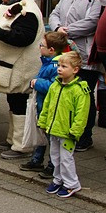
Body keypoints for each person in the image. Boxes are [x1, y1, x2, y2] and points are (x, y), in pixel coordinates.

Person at [47, 0, 103, 152]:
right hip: (65, 53)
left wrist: (67, 30)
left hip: (84, 55)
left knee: (84, 97)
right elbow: (54, 12)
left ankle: (85, 135)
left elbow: (92, 21)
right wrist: (57, 28)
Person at [0, 0, 45, 158]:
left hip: (22, 69)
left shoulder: (28, 11)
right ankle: (13, 140)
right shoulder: (13, 4)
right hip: (11, 66)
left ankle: (22, 146)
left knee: (20, 106)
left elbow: (24, 38)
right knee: (13, 103)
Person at [37, 50, 91, 198]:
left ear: (75, 70)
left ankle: (71, 183)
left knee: (66, 158)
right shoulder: (55, 85)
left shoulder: (79, 90)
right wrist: (43, 121)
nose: (59, 69)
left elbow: (82, 113)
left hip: (68, 132)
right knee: (55, 156)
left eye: (64, 66)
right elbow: (47, 105)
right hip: (54, 128)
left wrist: (76, 130)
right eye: (59, 65)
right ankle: (58, 179)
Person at [20, 30, 70, 173]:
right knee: (40, 134)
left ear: (51, 50)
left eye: (42, 45)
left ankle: (53, 165)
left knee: (50, 138)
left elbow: (54, 86)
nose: (39, 48)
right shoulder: (48, 62)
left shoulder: (56, 66)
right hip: (41, 105)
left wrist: (37, 83)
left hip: (49, 107)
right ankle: (37, 159)